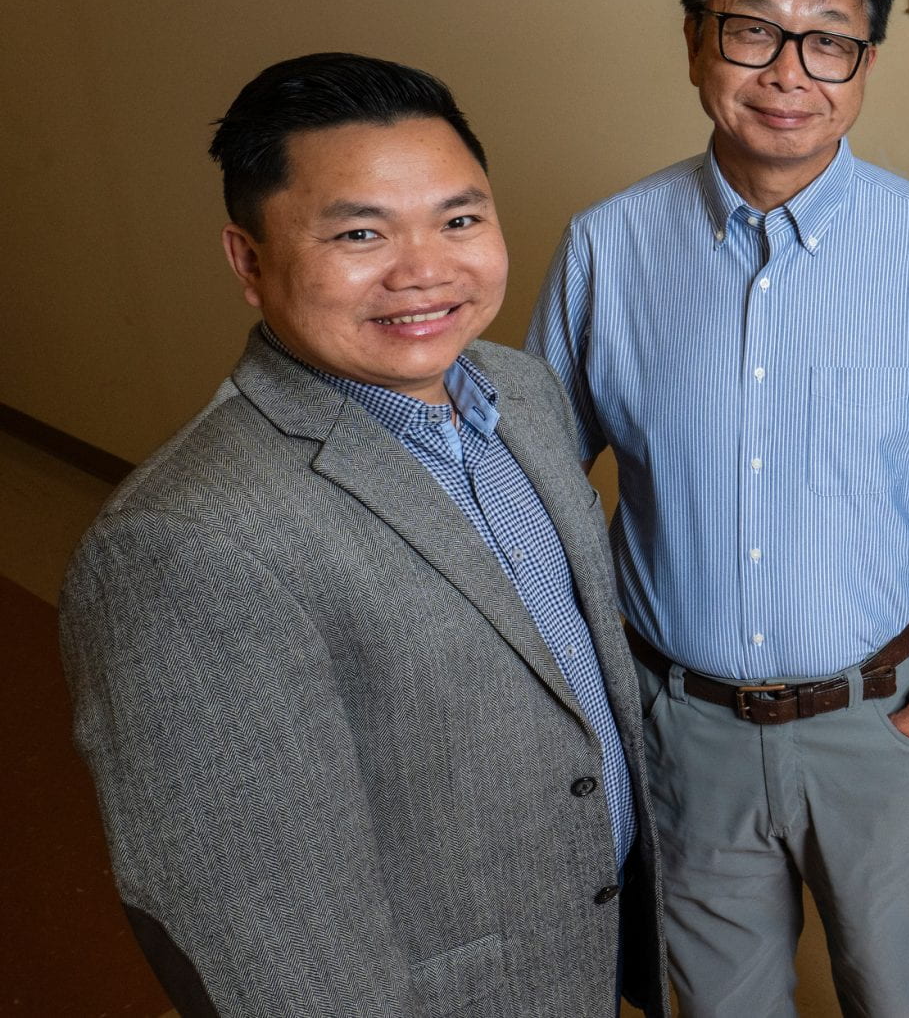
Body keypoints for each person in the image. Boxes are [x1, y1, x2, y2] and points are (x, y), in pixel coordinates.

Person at [61, 53, 665, 1017]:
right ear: (248, 261)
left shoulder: (522, 391)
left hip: (575, 951)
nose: (425, 270)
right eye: (359, 233)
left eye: (459, 219)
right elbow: (266, 939)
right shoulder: (184, 545)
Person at [527, 0, 909, 1018]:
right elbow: (535, 492)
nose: (788, 73)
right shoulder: (607, 248)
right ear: (695, 41)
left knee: (899, 994)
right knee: (717, 1006)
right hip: (681, 725)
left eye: (830, 44)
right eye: (752, 31)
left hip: (883, 726)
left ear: (866, 64)